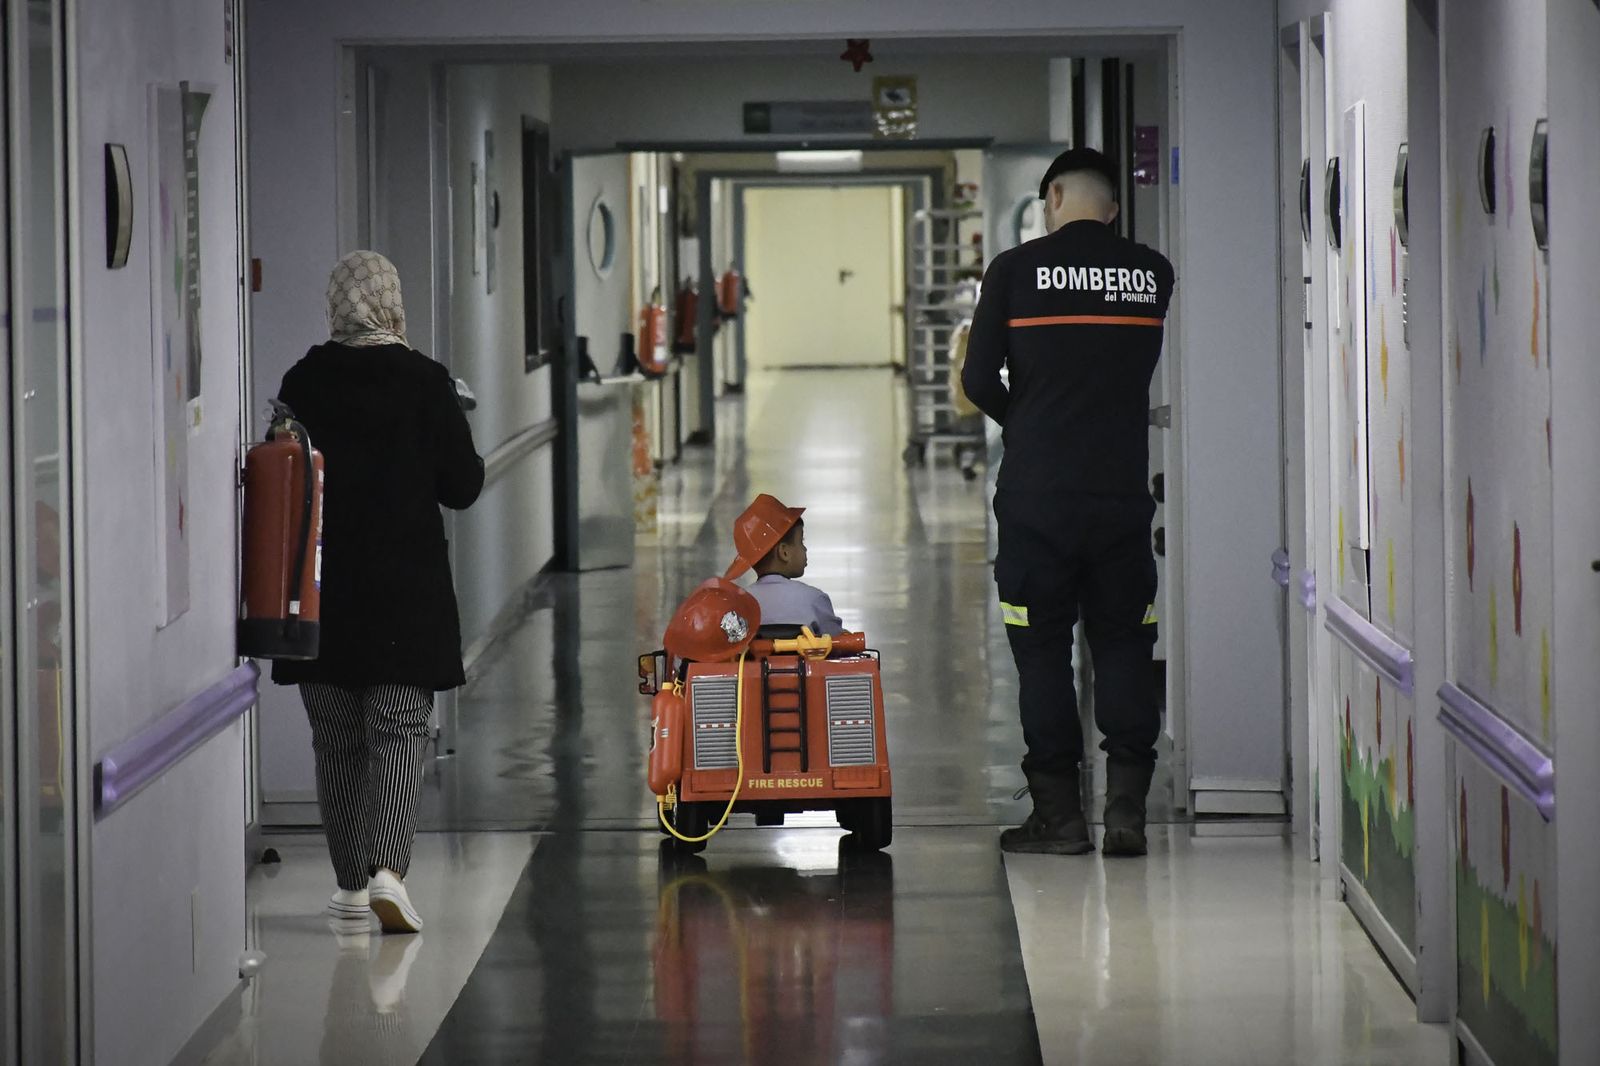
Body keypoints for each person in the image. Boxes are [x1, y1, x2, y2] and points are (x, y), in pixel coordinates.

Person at [961, 148, 1176, 858]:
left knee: (1042, 652)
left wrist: (1025, 422)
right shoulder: (1151, 274)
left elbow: (976, 375)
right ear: (1112, 209)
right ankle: (1126, 814)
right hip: (1119, 497)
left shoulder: (1015, 273)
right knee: (1122, 644)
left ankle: (1059, 819)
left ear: (1052, 198)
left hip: (1036, 502)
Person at [272, 250, 485, 931]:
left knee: (336, 741)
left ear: (336, 304)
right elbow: (463, 485)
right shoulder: (426, 381)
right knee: (398, 732)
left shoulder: (303, 381)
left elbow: (282, 475)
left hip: (320, 590)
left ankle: (348, 887)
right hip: (404, 591)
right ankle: (390, 870)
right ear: (390, 301)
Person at [723, 493, 845, 637]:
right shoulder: (814, 599)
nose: (805, 549)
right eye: (801, 541)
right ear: (784, 552)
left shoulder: (739, 605)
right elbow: (838, 645)